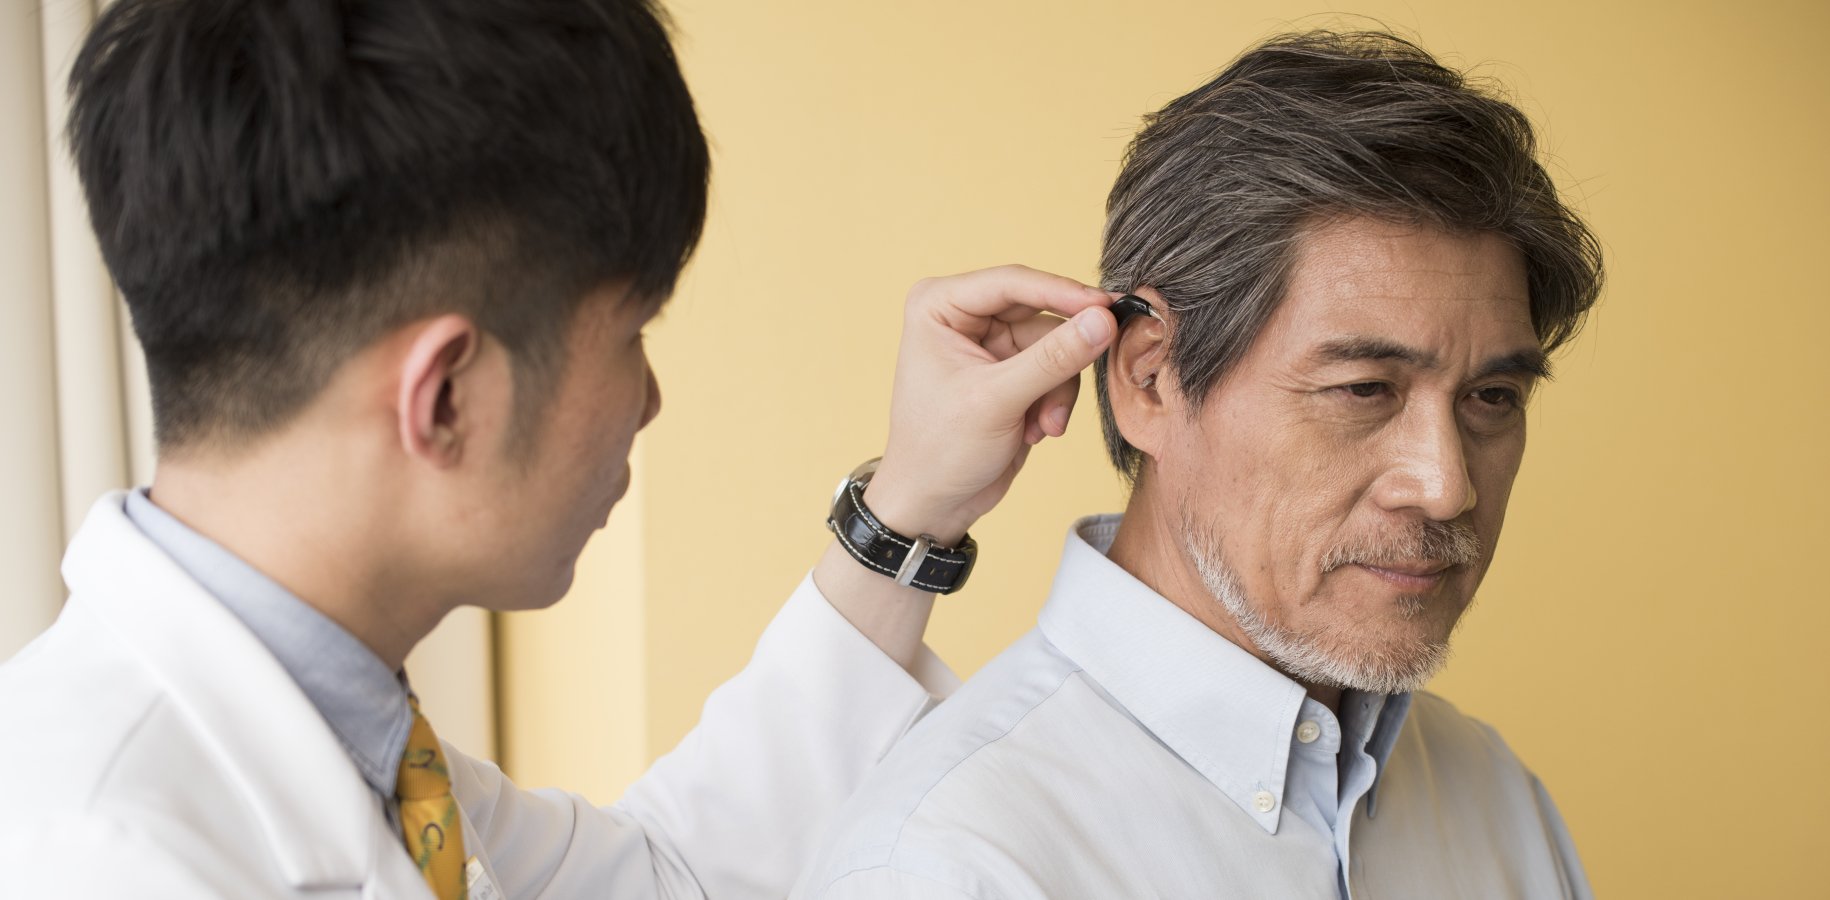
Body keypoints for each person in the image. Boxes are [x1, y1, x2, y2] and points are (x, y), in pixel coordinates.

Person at [0, 1, 1123, 897]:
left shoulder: (359, 743)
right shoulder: (100, 856)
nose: (650, 401)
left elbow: (675, 873)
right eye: (632, 334)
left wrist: (911, 507)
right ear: (444, 397)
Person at [792, 30, 1604, 900]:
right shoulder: (945, 866)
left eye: (1493, 398)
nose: (1446, 486)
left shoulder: (1497, 801)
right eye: (1364, 389)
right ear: (1149, 380)